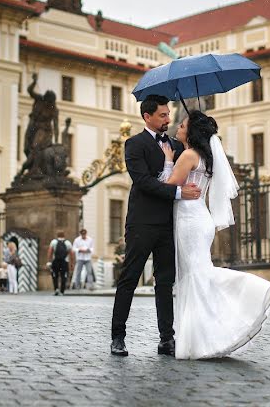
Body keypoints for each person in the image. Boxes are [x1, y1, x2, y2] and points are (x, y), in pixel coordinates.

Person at [161, 110, 270, 359]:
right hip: (201, 217)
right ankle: (204, 337)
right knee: (198, 275)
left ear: (190, 132)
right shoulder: (206, 157)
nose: (177, 128)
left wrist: (169, 161)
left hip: (189, 219)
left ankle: (249, 293)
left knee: (196, 276)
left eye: (181, 125)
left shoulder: (188, 155)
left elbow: (169, 186)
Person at [110, 94, 201, 357]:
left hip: (169, 224)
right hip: (141, 222)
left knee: (164, 282)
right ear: (146, 117)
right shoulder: (134, 144)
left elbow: (194, 163)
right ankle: (118, 337)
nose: (168, 119)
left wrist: (197, 128)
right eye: (162, 115)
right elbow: (144, 182)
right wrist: (177, 193)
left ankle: (166, 339)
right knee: (129, 279)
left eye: (169, 114)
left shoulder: (176, 144)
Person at [48, 231, 72, 296]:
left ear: (57, 235)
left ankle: (56, 289)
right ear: (64, 235)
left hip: (55, 261)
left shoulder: (54, 242)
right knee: (63, 276)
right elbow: (71, 254)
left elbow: (50, 251)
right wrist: (71, 263)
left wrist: (49, 261)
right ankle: (62, 291)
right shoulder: (68, 242)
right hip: (64, 262)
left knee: (55, 275)